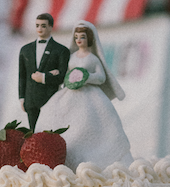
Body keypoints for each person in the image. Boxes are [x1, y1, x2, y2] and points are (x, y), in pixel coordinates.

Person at [39, 20, 133, 170]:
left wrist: (87, 77)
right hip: (69, 96)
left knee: (90, 123)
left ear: (89, 39)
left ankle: (96, 159)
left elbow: (101, 77)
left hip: (91, 97)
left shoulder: (92, 58)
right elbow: (64, 73)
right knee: (58, 116)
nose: (79, 40)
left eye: (82, 37)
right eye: (76, 37)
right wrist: (67, 78)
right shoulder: (72, 57)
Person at [18, 13, 70, 132]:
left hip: (50, 99)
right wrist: (22, 98)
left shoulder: (61, 50)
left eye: (43, 26)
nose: (40, 29)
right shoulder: (25, 50)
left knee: (50, 133)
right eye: (37, 25)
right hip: (30, 99)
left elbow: (62, 77)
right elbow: (22, 75)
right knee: (33, 133)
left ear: (51, 27)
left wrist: (44, 77)